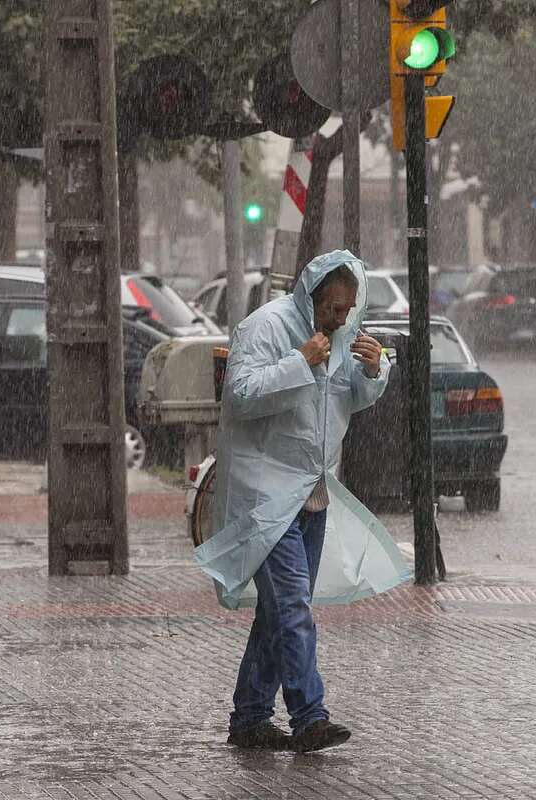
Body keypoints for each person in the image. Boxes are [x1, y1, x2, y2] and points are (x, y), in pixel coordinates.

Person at [197, 251, 391, 754]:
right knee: (292, 607)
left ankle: (250, 717)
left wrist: (374, 371)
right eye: (333, 308)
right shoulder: (266, 327)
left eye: (349, 309)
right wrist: (299, 361)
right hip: (265, 495)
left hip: (312, 491)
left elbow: (348, 396)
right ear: (311, 297)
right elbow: (240, 394)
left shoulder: (344, 336)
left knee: (277, 613)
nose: (342, 319)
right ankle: (310, 716)